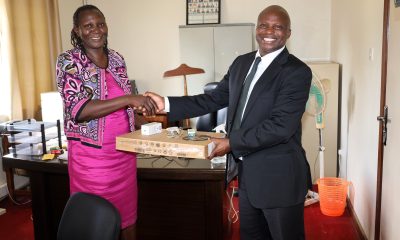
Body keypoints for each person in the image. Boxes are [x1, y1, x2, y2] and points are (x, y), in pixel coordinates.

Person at [146, 5, 312, 240]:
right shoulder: (241, 64)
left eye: (278, 27)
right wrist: (166, 103)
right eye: (264, 25)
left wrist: (231, 142)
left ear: (288, 33)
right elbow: (212, 99)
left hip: (279, 180)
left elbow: (280, 127)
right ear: (257, 28)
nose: (269, 31)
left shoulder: (297, 72)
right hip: (248, 178)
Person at [56, 5, 156, 240]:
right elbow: (79, 110)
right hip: (92, 164)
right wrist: (130, 98)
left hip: (124, 156)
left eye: (100, 23)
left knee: (129, 219)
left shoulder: (117, 59)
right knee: (96, 223)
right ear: (78, 31)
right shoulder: (69, 61)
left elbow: (122, 109)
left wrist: (145, 115)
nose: (96, 30)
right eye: (88, 25)